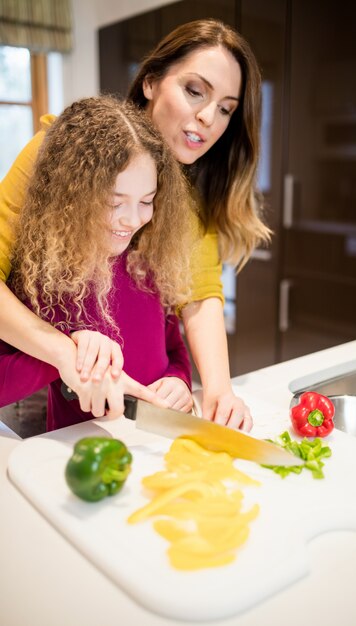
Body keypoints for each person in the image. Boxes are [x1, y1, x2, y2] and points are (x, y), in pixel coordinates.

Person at [0, 19, 270, 431]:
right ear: (149, 81)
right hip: (44, 406)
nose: (208, 117)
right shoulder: (53, 157)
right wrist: (65, 352)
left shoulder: (188, 197)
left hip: (126, 422)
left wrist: (217, 391)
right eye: (195, 91)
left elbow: (199, 294)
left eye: (226, 109)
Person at [0, 96, 194, 430]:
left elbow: (175, 350)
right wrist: (68, 354)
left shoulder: (146, 262)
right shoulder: (44, 278)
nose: (132, 220)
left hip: (152, 444)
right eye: (113, 202)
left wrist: (179, 381)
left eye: (146, 201)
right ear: (73, 197)